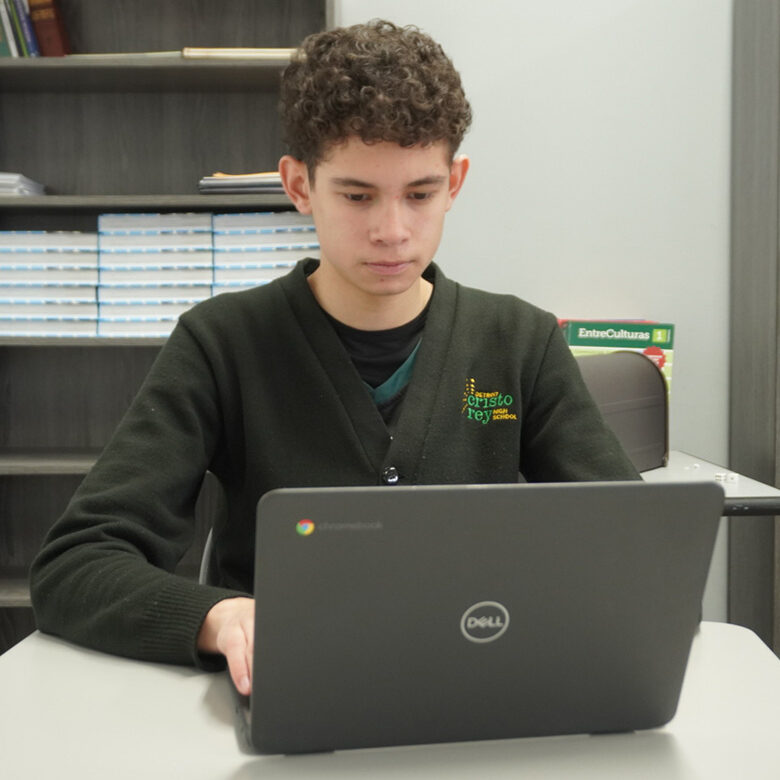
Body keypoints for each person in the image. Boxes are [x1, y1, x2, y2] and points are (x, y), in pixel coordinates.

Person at [30, 20, 638, 696]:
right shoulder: (221, 343)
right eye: (356, 196)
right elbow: (75, 564)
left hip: (477, 688)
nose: (393, 231)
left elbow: (635, 546)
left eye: (420, 193)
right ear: (298, 186)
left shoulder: (522, 343)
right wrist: (218, 616)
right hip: (289, 697)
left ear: (455, 181)